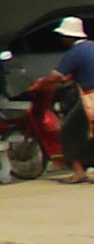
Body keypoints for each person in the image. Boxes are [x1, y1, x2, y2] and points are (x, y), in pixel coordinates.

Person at [47, 17, 94, 185]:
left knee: (69, 130)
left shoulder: (75, 52)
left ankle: (79, 171)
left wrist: (39, 84)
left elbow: (55, 76)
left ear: (69, 36)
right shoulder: (90, 47)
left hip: (90, 96)